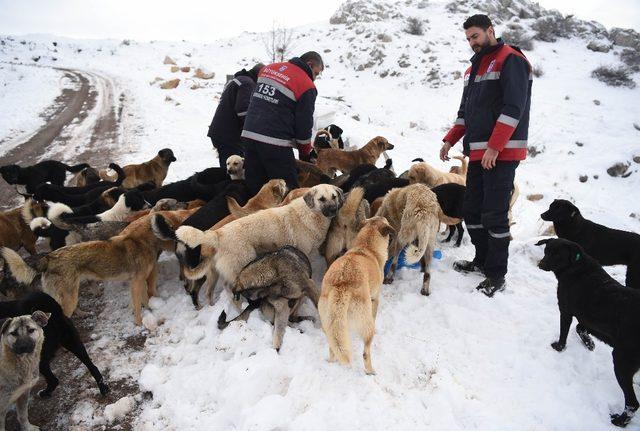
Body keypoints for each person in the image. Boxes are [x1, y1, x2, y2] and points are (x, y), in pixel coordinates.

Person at [440, 14, 532, 297]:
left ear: (490, 31)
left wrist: (495, 145)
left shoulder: (511, 59)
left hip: (501, 153)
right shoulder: (473, 69)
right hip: (478, 153)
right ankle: (481, 260)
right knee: (472, 211)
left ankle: (497, 273)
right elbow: (464, 112)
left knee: (494, 213)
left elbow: (513, 107)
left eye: (475, 36)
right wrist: (449, 141)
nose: (472, 42)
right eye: (468, 38)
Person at [241, 51, 324, 195]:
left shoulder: (268, 69)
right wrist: (305, 153)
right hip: (275, 142)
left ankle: (253, 216)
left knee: (256, 190)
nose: (315, 78)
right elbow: (304, 124)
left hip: (249, 135)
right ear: (309, 64)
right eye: (316, 73)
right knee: (288, 192)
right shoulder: (307, 85)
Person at [207, 63, 263, 167]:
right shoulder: (247, 83)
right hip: (229, 134)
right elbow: (243, 110)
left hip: (221, 131)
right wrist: (253, 128)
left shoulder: (240, 79)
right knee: (232, 171)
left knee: (229, 167)